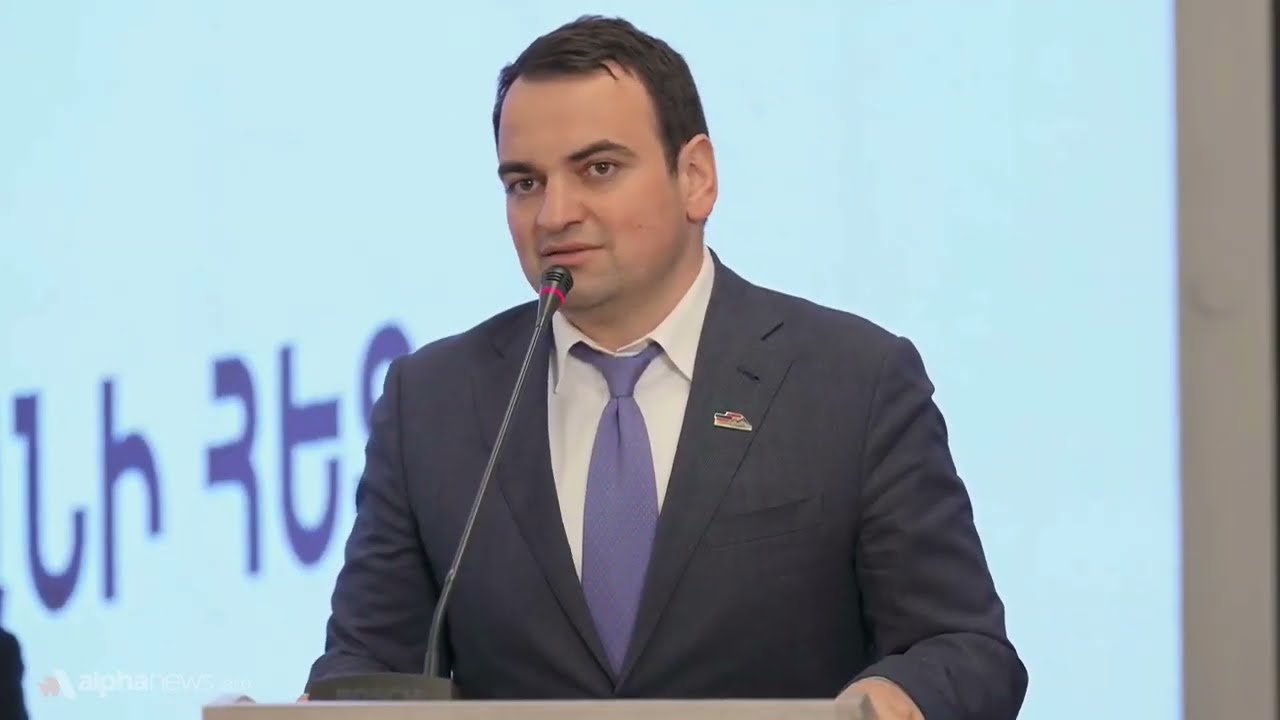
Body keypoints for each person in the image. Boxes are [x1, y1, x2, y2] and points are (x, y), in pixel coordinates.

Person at [308, 15, 1027, 719]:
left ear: (696, 177)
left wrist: (887, 702)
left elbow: (962, 647)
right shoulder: (432, 403)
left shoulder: (851, 381)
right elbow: (368, 668)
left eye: (598, 169)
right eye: (524, 183)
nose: (554, 214)